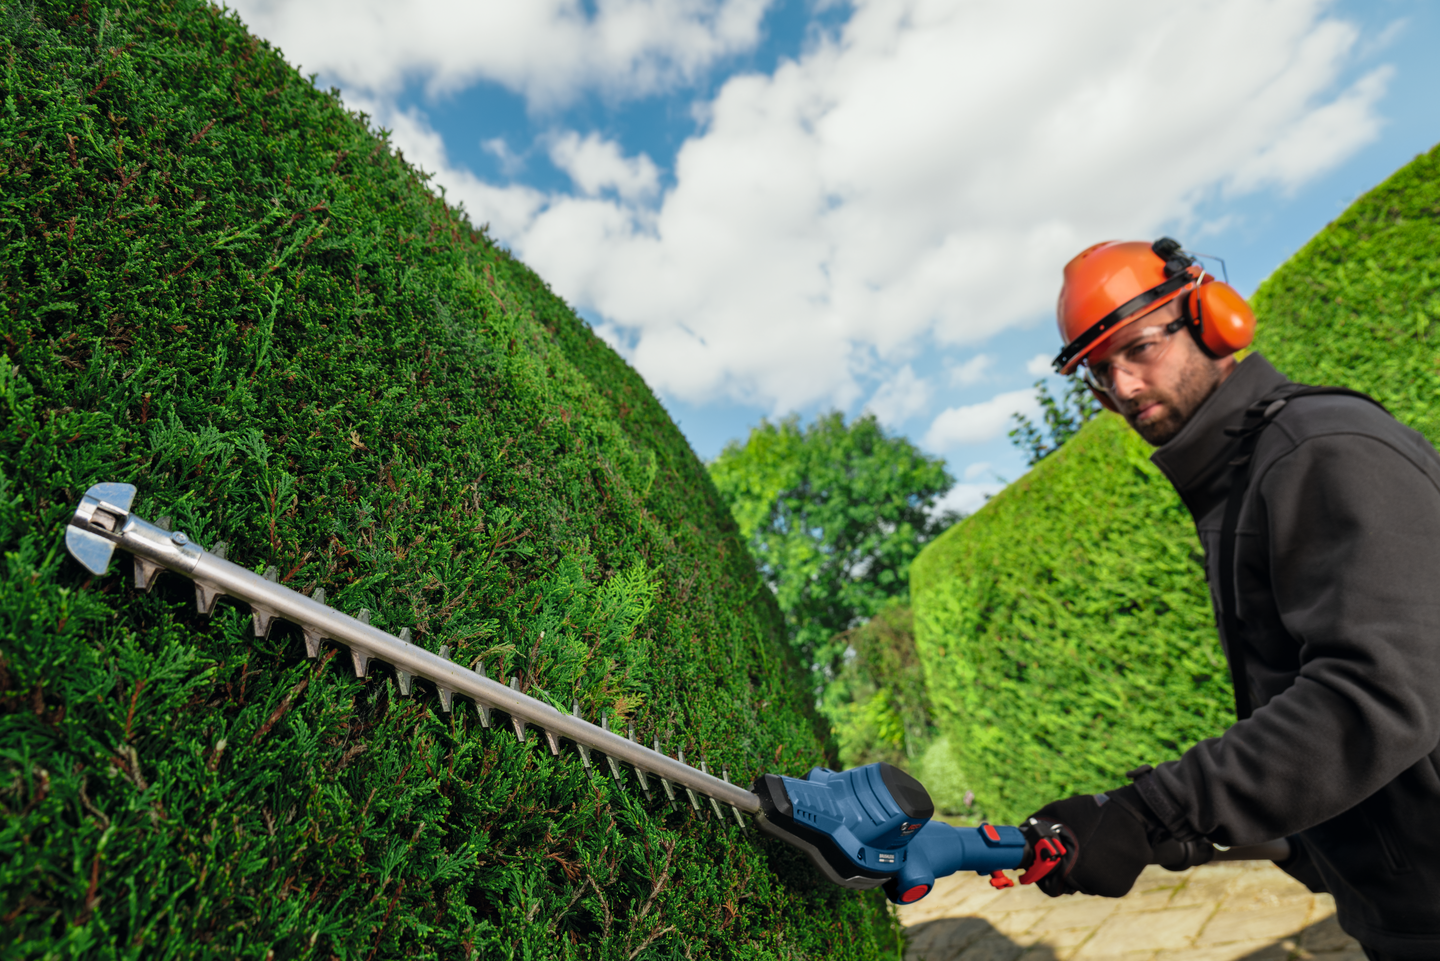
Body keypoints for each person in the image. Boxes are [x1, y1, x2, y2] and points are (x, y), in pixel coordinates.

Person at [1022, 238, 1440, 960]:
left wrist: (1151, 809)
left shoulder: (1319, 451)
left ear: (1214, 319)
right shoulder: (1243, 474)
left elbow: (1379, 691)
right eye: (1097, 371)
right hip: (1407, 900)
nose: (1121, 387)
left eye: (1138, 347)